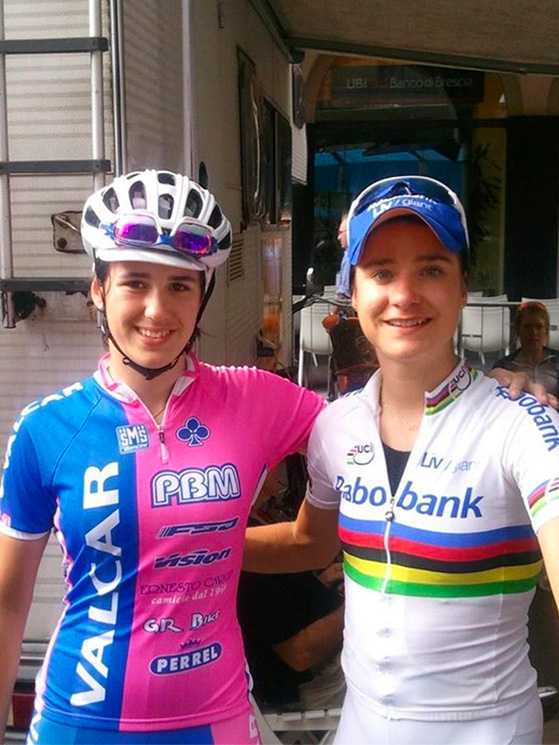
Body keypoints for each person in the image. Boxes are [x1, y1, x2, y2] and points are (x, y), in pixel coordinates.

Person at [0, 170, 325, 745]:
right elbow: (7, 607)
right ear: (99, 289)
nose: (157, 309)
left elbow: (368, 435)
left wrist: (476, 393)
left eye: (180, 285)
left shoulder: (253, 399)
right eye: (134, 282)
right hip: (79, 722)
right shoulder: (46, 429)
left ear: (203, 296)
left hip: (216, 721)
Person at [244, 176, 559, 745]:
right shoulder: (336, 427)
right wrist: (180, 545)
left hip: (488, 731)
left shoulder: (521, 425)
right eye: (382, 272)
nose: (405, 294)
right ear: (353, 292)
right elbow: (310, 542)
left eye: (432, 270)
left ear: (463, 288)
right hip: (361, 726)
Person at [237, 461, 345, 711]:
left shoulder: (260, 518)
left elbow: (281, 602)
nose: (284, 463)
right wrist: (362, 606)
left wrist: (318, 583)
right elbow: (300, 653)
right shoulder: (249, 545)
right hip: (309, 687)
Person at [494, 301, 559, 397]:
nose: (533, 332)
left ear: (546, 329)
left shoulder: (556, 361)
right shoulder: (504, 365)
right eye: (527, 327)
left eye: (539, 327)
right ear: (517, 329)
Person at [335, 214, 351, 301]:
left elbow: (343, 294)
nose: (338, 237)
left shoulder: (350, 256)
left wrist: (333, 312)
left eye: (340, 233)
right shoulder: (347, 254)